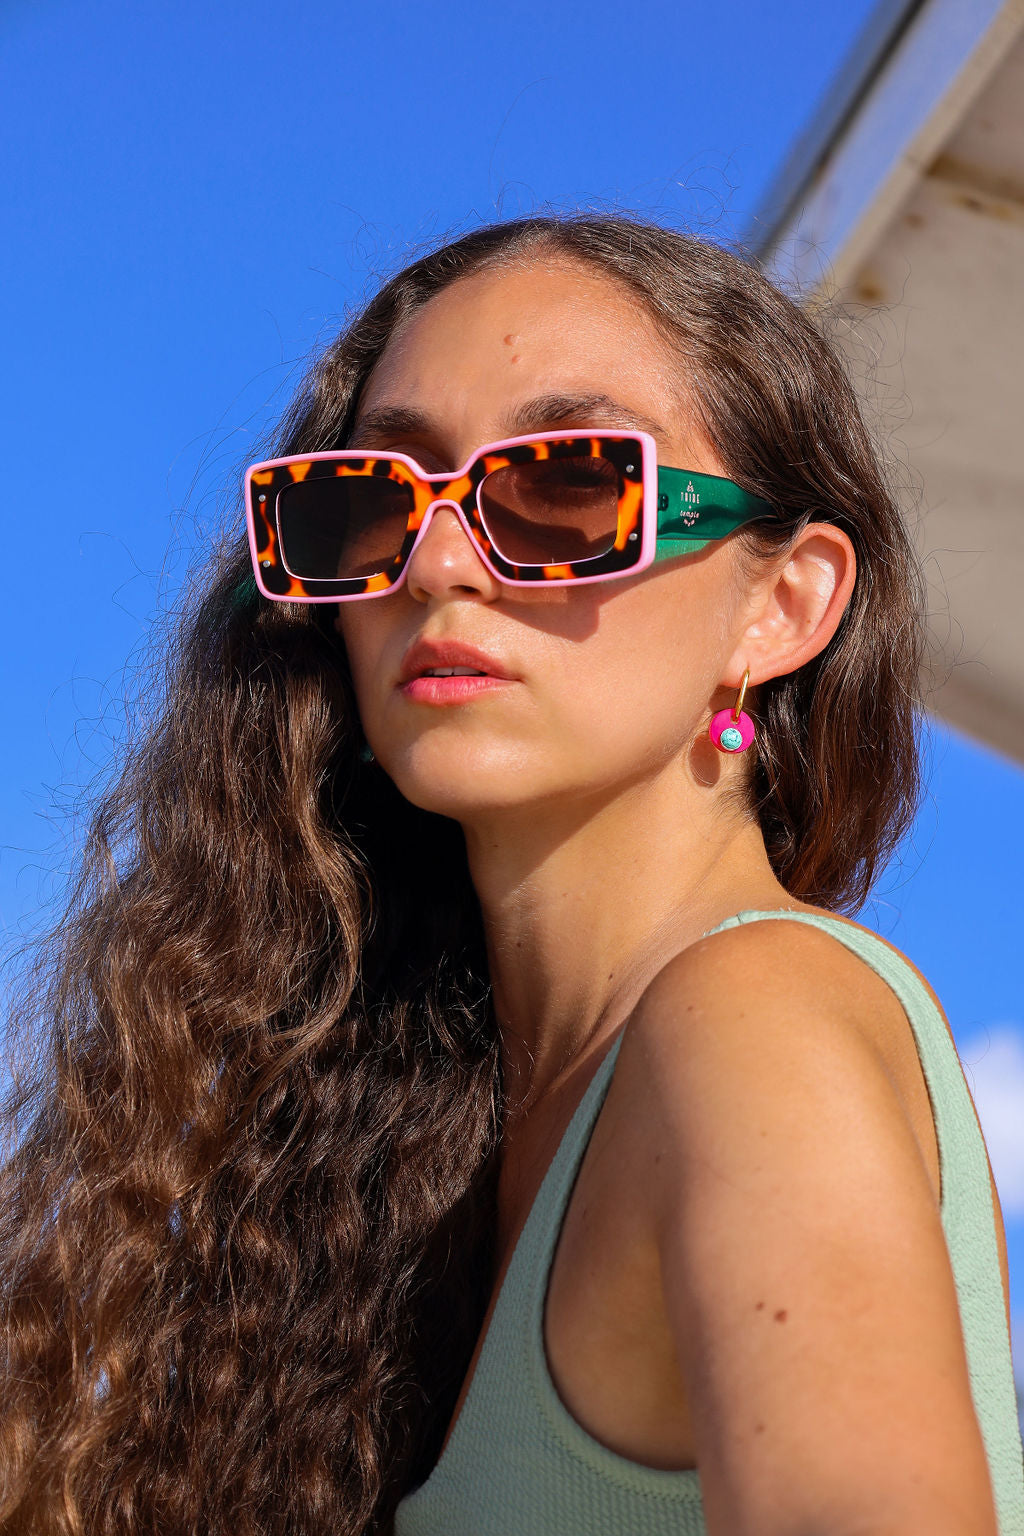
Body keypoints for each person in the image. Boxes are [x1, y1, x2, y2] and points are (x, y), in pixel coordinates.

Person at [1, 216, 1021, 1536]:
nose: (437, 562)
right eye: (366, 504)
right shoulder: (422, 1142)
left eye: (564, 487)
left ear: (782, 607)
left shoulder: (754, 1017)